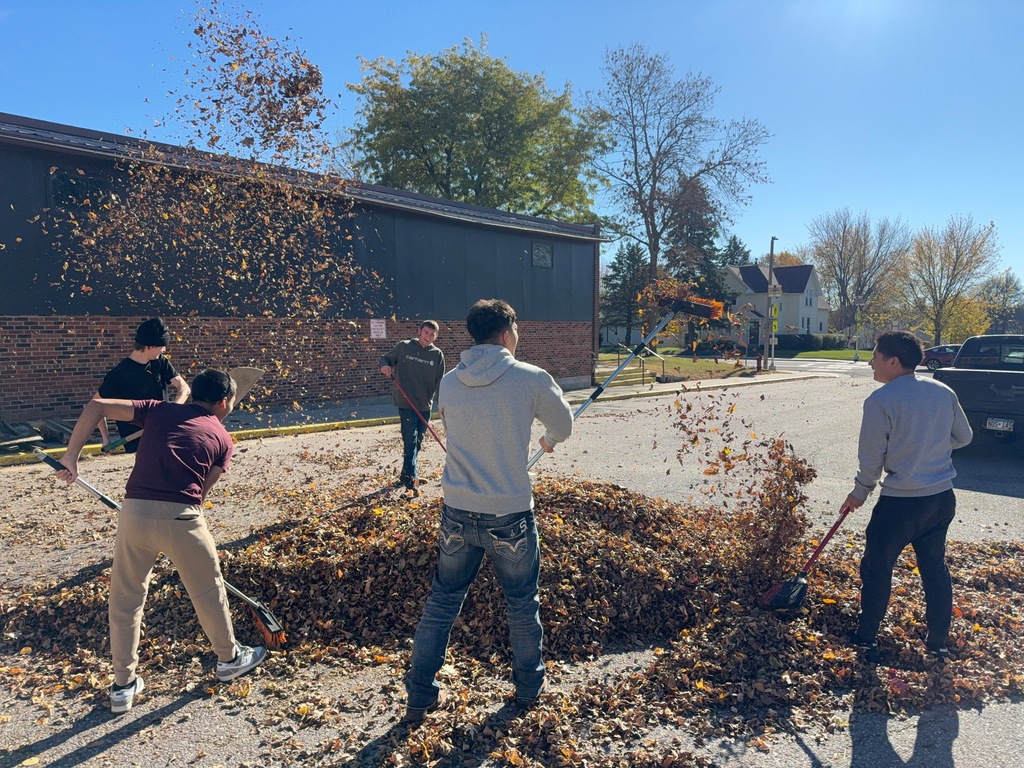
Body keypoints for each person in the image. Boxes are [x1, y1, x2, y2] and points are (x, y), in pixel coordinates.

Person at [54, 369, 267, 713]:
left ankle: (123, 684)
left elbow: (96, 407)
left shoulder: (157, 409)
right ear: (224, 402)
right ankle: (229, 659)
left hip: (134, 514)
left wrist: (71, 458)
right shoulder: (223, 439)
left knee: (126, 598)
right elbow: (201, 492)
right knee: (207, 590)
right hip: (183, 518)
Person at [403, 299, 573, 723]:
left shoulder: (451, 382)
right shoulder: (530, 377)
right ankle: (529, 688)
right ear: (505, 333)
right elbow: (564, 424)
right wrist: (548, 439)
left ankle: (420, 692)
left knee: (442, 600)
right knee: (520, 602)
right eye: (516, 331)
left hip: (458, 509)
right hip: (510, 514)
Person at [841, 331, 973, 663]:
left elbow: (870, 460)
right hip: (941, 499)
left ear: (893, 362)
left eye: (875, 356)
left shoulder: (881, 401)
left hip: (901, 503)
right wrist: (932, 445)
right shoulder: (943, 392)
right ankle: (938, 641)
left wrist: (859, 493)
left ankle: (866, 638)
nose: (871, 362)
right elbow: (964, 436)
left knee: (876, 567)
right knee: (933, 567)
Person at [94, 317, 191, 451]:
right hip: (139, 443)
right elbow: (95, 405)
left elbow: (184, 388)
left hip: (164, 431)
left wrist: (174, 407)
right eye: (162, 346)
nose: (164, 350)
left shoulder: (160, 362)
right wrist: (106, 439)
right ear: (150, 346)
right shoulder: (119, 373)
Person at [379, 320, 445, 493]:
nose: (428, 337)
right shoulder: (404, 347)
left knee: (417, 442)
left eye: (432, 334)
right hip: (406, 401)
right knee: (410, 440)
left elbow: (440, 382)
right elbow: (385, 358)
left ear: (436, 336)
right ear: (419, 331)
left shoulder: (436, 355)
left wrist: (442, 403)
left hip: (424, 404)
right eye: (426, 333)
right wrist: (385, 366)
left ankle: (405, 474)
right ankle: (411, 480)